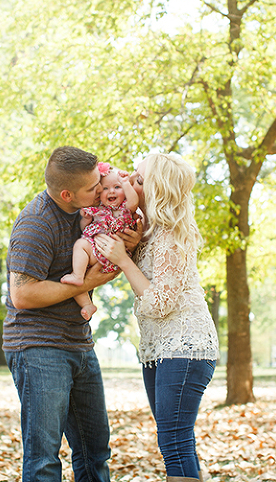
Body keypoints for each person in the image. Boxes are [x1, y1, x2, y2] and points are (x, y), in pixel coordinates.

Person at [3, 146, 142, 482]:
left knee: (95, 452)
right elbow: (22, 294)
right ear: (67, 194)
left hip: (78, 343)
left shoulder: (91, 209)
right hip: (38, 346)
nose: (102, 189)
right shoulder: (36, 223)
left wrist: (132, 241)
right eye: (94, 187)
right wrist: (87, 283)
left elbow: (107, 258)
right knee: (44, 460)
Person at [96, 153, 220, 482]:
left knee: (174, 443)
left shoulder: (170, 235)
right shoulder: (147, 232)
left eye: (138, 179)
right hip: (159, 348)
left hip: (185, 345)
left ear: (156, 190)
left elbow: (160, 303)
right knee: (176, 441)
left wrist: (124, 260)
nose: (128, 182)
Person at [62, 162, 140, 320]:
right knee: (74, 283)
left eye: (117, 187)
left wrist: (125, 182)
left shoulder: (125, 208)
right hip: (98, 252)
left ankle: (77, 275)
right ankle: (87, 305)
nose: (111, 191)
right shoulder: (98, 210)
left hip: (112, 253)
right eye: (105, 188)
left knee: (80, 246)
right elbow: (84, 229)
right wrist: (86, 219)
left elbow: (134, 201)